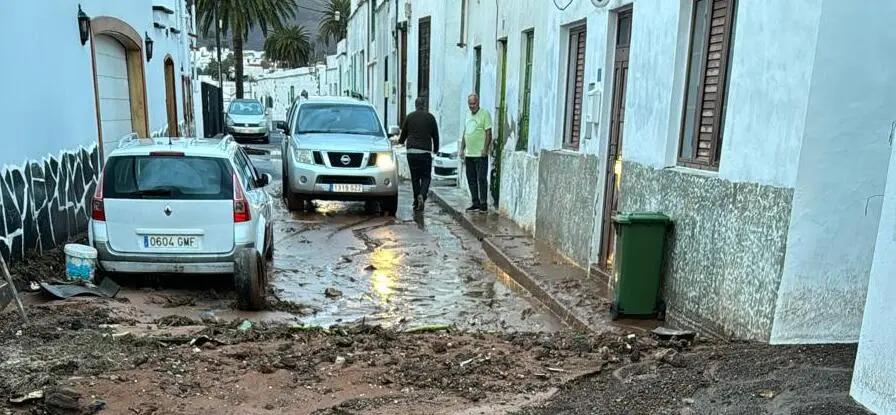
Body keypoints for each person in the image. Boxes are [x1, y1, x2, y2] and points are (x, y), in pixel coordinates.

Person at [399, 97, 440, 212]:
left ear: (415, 105)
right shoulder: (430, 118)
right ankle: (422, 195)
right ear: (424, 105)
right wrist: (436, 149)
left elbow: (403, 135)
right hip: (425, 152)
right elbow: (435, 136)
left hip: (412, 152)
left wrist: (400, 142)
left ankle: (417, 201)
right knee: (426, 177)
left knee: (415, 178)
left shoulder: (409, 117)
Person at [459, 93, 492, 213]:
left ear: (478, 102)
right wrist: (462, 149)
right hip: (469, 153)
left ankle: (483, 204)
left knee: (481, 178)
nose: (472, 106)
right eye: (470, 104)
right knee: (471, 179)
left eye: (474, 103)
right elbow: (465, 132)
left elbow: (488, 133)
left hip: (480, 154)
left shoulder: (485, 114)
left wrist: (485, 149)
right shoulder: (467, 114)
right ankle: (475, 202)